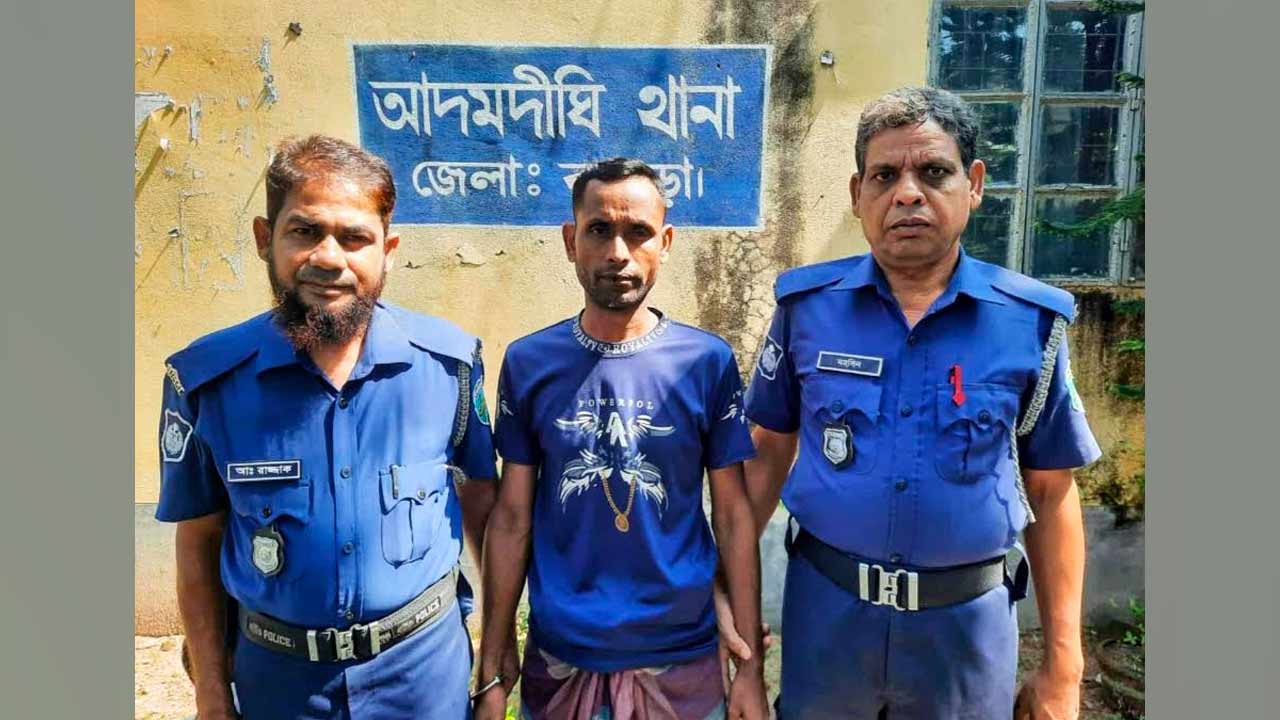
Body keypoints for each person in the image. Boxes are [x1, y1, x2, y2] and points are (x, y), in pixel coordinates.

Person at [741, 87, 1102, 719]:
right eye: (885, 176)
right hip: (827, 626)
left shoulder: (1030, 324)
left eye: (933, 172)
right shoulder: (806, 311)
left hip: (964, 638)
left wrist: (1064, 666)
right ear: (858, 194)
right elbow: (764, 459)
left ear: (974, 184)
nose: (908, 193)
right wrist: (734, 621)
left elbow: (1050, 492)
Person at [155, 134, 499, 719]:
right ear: (265, 238)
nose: (329, 258)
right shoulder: (204, 381)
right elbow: (199, 541)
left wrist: (495, 658)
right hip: (279, 684)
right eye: (305, 231)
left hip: (423, 680)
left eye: (355, 238)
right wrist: (210, 692)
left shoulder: (450, 368)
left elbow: (485, 512)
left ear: (388, 250)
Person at [473, 158, 769, 720]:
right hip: (562, 658)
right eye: (599, 230)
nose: (618, 253)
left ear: (666, 242)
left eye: (638, 233)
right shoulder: (530, 362)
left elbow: (733, 515)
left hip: (682, 657)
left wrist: (750, 669)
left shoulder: (705, 362)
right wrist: (493, 661)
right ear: (571, 241)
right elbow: (511, 518)